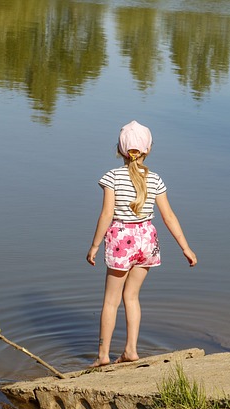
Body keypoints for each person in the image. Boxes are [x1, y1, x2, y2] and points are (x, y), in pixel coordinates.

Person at [86, 120, 197, 367]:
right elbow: (169, 216)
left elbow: (106, 214)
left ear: (119, 149)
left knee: (111, 301)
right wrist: (185, 247)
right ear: (148, 149)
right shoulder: (156, 179)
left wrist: (94, 246)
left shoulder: (112, 177)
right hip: (147, 239)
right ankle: (131, 351)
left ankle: (103, 356)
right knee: (132, 297)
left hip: (121, 241)